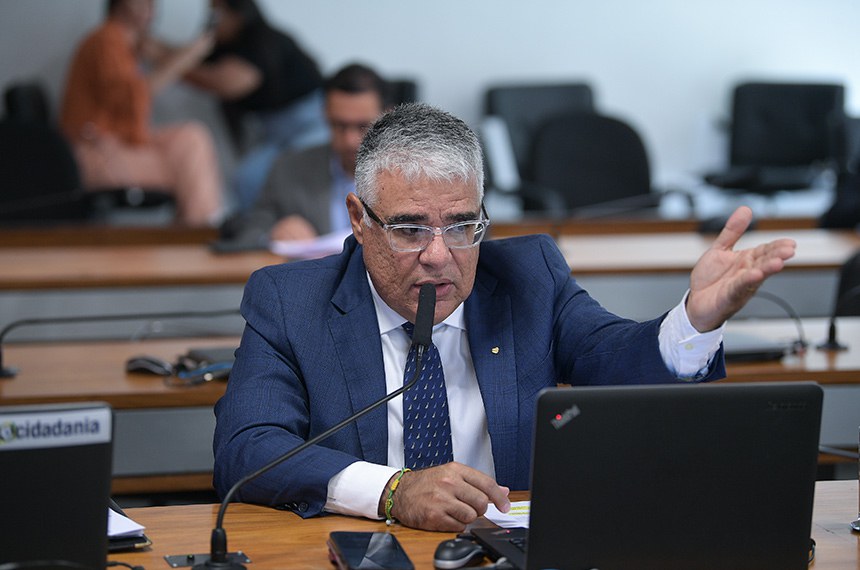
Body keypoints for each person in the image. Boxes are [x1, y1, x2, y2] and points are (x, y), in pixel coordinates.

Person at [213, 103, 796, 532]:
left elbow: (616, 359)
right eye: (411, 229)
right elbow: (249, 449)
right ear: (359, 220)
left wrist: (695, 319)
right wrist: (391, 491)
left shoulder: (527, 278)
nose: (440, 255)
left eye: (462, 226)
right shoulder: (291, 301)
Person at [60, 0, 225, 227]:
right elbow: (133, 96)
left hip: (120, 145)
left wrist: (185, 53)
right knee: (190, 170)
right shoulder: (106, 40)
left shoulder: (126, 43)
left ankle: (200, 225)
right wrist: (187, 57)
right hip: (99, 153)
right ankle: (203, 228)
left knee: (192, 136)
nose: (152, 8)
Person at [219, 63, 388, 247]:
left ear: (387, 117)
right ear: (325, 115)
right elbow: (249, 231)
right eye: (339, 125)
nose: (350, 140)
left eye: (362, 126)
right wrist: (272, 234)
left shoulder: (413, 174)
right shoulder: (288, 169)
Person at [185, 0, 329, 211]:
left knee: (301, 171)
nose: (212, 20)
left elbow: (229, 82)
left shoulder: (261, 39)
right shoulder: (224, 48)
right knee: (246, 180)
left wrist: (173, 64)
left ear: (237, 13)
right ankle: (253, 233)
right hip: (275, 133)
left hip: (313, 121)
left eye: (218, 12)